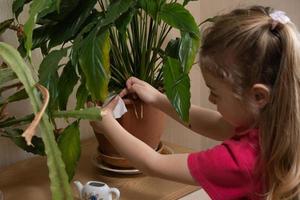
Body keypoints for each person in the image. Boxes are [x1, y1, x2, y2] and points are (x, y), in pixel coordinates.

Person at [90, 6, 300, 200]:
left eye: (215, 94)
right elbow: (218, 124)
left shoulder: (239, 161)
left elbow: (153, 164)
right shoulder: (276, 127)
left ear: (258, 96)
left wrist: (107, 123)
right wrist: (158, 99)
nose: (210, 99)